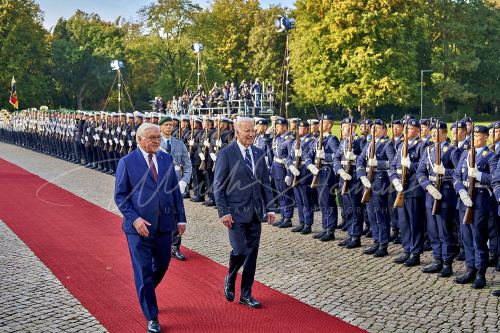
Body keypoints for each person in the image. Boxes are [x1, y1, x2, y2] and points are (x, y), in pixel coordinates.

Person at [114, 123, 186, 333]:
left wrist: (181, 219)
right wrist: (135, 219)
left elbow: (174, 191)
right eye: (152, 137)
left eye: (158, 137)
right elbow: (120, 196)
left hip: (164, 224)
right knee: (144, 270)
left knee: (163, 263)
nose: (157, 141)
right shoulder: (127, 162)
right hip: (138, 228)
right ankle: (151, 316)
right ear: (139, 140)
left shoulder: (165, 159)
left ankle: (145, 292)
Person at [213, 117, 275, 309]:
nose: (251, 134)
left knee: (252, 255)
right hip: (235, 213)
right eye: (247, 131)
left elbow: (265, 182)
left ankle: (246, 294)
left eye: (252, 131)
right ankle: (230, 278)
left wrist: (270, 207)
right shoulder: (226, 154)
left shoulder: (258, 152)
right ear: (237, 131)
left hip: (255, 213)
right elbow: (219, 186)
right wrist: (224, 212)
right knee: (240, 250)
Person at [159, 116, 192, 261]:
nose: (169, 127)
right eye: (166, 125)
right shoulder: (155, 142)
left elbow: (188, 165)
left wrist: (184, 182)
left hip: (176, 183)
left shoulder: (179, 144)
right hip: (159, 184)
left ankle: (175, 247)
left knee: (177, 215)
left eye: (171, 125)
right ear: (160, 127)